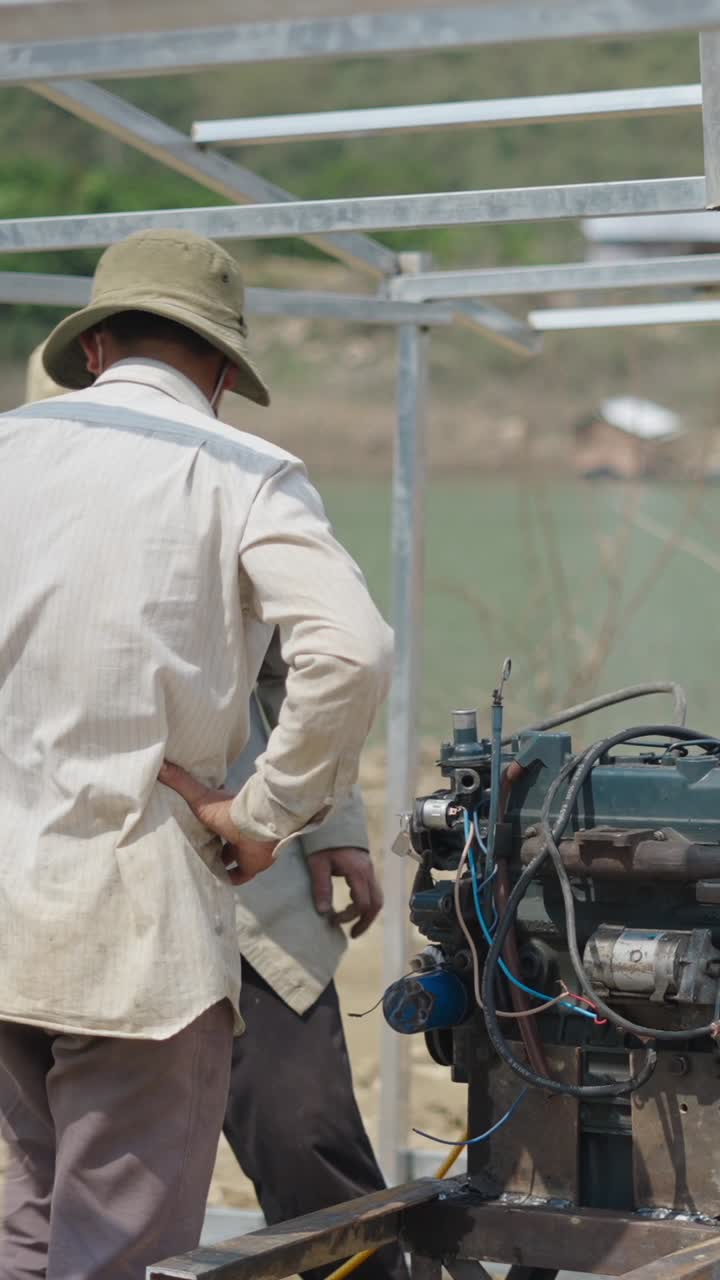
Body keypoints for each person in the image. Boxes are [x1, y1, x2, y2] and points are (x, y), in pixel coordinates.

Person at [0, 228, 393, 1280]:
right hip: (143, 931)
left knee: (31, 1218)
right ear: (222, 367)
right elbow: (351, 651)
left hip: (12, 919)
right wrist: (265, 818)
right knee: (116, 1244)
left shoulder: (7, 449)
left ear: (92, 349)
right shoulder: (242, 471)